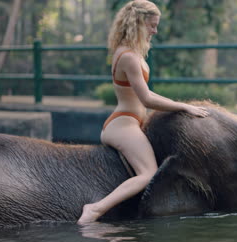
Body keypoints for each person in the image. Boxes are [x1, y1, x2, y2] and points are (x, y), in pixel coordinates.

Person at [78, 0, 209, 224]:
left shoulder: (132, 53)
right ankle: (95, 210)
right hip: (122, 125)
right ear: (137, 24)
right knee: (148, 173)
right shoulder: (128, 56)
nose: (155, 31)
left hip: (129, 123)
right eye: (151, 25)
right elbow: (146, 98)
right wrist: (184, 106)